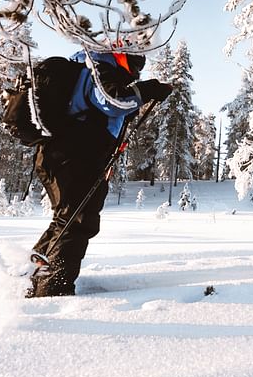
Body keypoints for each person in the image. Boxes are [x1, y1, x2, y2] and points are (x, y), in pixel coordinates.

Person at [27, 48, 172, 298]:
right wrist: (147, 90)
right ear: (121, 52)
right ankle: (53, 290)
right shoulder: (98, 67)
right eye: (137, 58)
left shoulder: (94, 68)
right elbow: (113, 102)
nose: (140, 65)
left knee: (68, 219)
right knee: (78, 220)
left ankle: (31, 275)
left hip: (68, 155)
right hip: (71, 155)